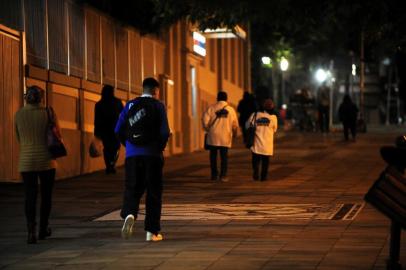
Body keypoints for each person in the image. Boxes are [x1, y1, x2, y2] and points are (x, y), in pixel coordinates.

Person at [115, 77, 170, 241]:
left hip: (132, 155)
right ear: (156, 91)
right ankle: (151, 232)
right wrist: (159, 147)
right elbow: (165, 132)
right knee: (154, 192)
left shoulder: (130, 105)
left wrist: (129, 145)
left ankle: (130, 214)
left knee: (132, 187)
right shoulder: (158, 105)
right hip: (152, 154)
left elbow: (118, 129)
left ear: (143, 89)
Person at [15, 86, 59, 244]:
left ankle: (30, 231)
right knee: (46, 196)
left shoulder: (19, 114)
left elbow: (18, 137)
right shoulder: (48, 113)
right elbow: (56, 135)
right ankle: (43, 228)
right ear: (41, 97)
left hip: (26, 162)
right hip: (47, 161)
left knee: (30, 196)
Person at [202, 91, 238, 182]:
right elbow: (235, 124)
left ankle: (214, 175)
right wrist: (234, 133)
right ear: (226, 99)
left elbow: (204, 120)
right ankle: (223, 175)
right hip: (225, 137)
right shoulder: (231, 110)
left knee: (213, 156)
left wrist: (207, 129)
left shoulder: (211, 108)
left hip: (213, 135)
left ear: (217, 98)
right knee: (224, 157)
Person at [246, 98, 278, 181]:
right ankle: (264, 177)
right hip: (267, 144)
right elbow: (275, 130)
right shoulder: (273, 118)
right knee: (265, 161)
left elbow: (247, 125)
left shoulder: (255, 115)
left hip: (256, 143)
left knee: (255, 160)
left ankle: (256, 172)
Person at [94, 84, 123, 174]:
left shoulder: (99, 104)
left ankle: (108, 165)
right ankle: (112, 164)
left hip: (104, 129)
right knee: (116, 147)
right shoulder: (117, 102)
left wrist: (96, 130)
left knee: (107, 148)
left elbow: (97, 118)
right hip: (115, 128)